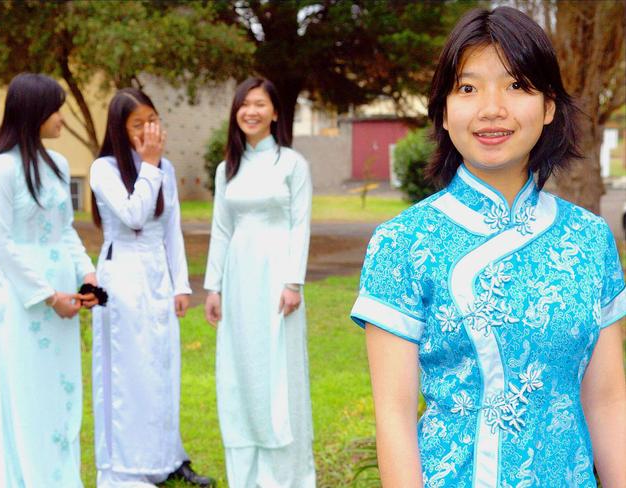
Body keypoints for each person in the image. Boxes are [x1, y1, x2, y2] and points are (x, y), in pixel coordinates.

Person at [351, 7, 626, 488]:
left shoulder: (589, 239)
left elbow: (607, 402)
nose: (491, 108)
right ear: (443, 108)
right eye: (467, 88)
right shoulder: (402, 242)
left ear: (548, 107)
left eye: (517, 85)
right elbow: (393, 418)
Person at [89, 88, 213, 488]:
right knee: (129, 371)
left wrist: (181, 285)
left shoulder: (165, 169)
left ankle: (167, 458)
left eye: (152, 120)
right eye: (137, 124)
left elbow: (169, 228)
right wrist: (150, 165)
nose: (148, 130)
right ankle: (126, 464)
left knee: (162, 366)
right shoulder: (103, 169)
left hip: (157, 274)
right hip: (121, 274)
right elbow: (133, 214)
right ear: (120, 129)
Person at [0, 73, 98, 487]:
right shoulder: (2, 170)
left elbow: (65, 229)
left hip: (64, 292)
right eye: (57, 109)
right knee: (29, 391)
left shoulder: (59, 165)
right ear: (34, 112)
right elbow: (1, 243)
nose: (62, 118)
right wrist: (48, 296)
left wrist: (87, 273)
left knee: (62, 391)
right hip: (25, 298)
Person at [204, 77, 315, 487]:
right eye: (243, 104)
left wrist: (293, 282)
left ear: (274, 112)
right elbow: (221, 229)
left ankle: (286, 475)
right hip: (237, 280)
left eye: (259, 103)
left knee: (277, 368)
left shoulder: (291, 164)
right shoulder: (226, 169)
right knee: (239, 369)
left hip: (276, 278)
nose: (250, 111)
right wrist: (213, 287)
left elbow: (300, 224)